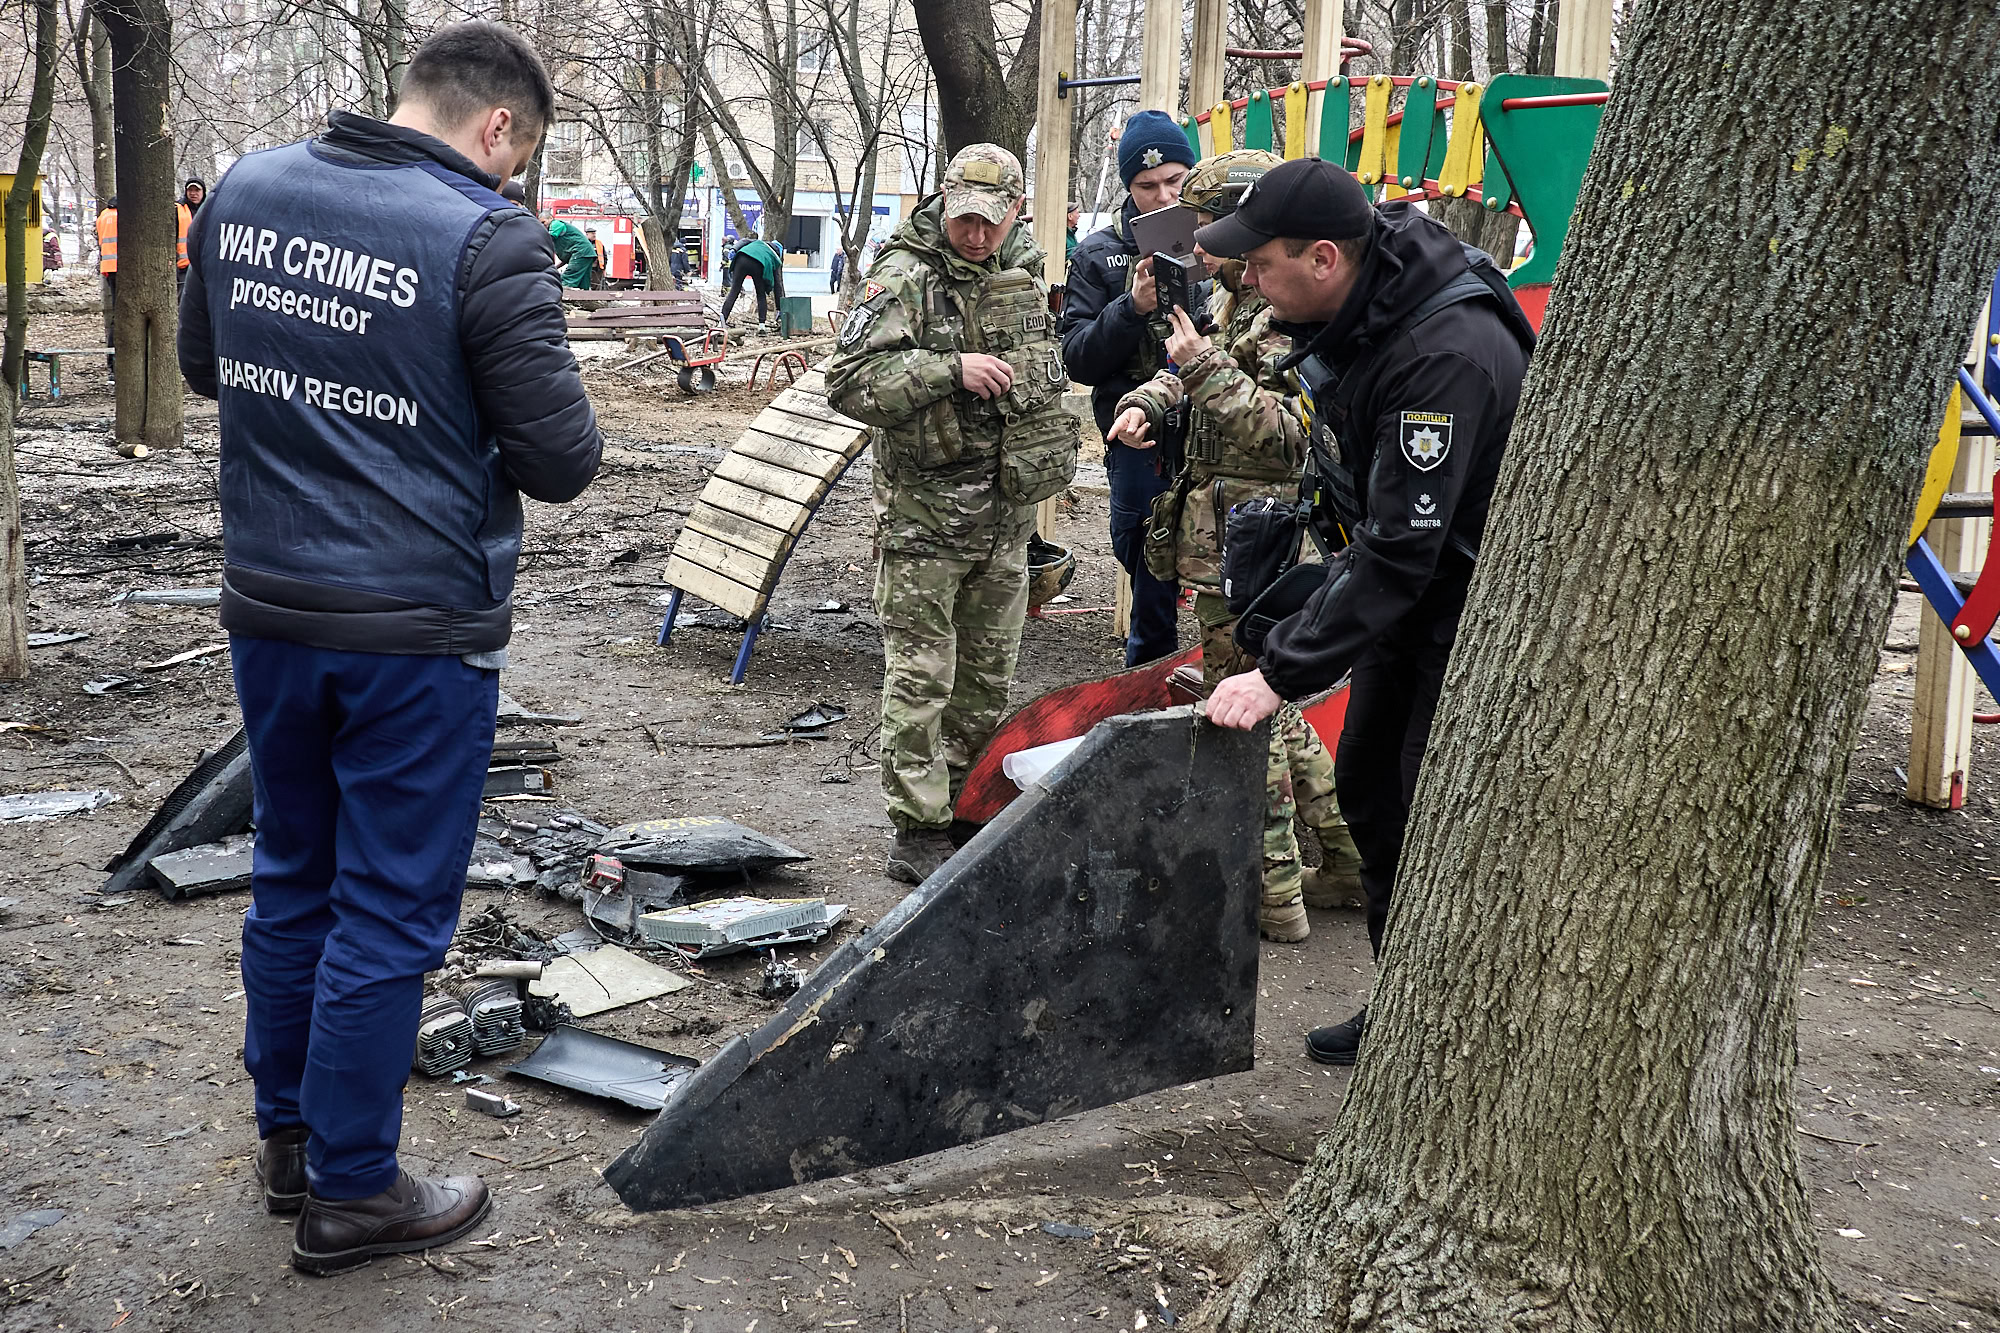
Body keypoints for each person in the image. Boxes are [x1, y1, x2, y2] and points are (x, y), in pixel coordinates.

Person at [177, 19, 602, 1274]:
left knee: (294, 873)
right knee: (390, 910)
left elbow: (209, 368)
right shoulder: (486, 236)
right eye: (514, 162)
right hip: (415, 631)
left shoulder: (246, 187)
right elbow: (563, 459)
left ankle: (292, 1142)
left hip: (270, 607)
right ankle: (357, 1189)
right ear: (499, 130)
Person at [1197, 157, 1534, 1064]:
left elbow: (1404, 548)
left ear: (1321, 258)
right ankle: (1407, 1012)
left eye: (1259, 264)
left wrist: (1278, 674)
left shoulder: (1443, 356)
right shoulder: (1366, 299)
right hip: (1405, 606)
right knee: (1372, 792)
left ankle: (1455, 1039)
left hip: (1467, 620)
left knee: (1433, 820)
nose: (1249, 283)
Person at [1105, 149, 1362, 944]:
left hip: (1257, 541)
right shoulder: (1242, 295)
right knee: (1272, 710)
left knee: (1241, 708)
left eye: (1213, 231)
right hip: (1219, 532)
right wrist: (1151, 396)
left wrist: (1201, 368)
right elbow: (1197, 372)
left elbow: (1292, 435)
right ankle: (1348, 861)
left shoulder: (1305, 313)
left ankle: (1272, 894)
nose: (1205, 248)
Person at [824, 144, 1076, 884]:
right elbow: (847, 381)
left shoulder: (1021, 270)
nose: (976, 236)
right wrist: (948, 369)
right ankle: (918, 825)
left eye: (991, 224)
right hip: (925, 521)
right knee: (921, 677)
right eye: (965, 220)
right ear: (944, 201)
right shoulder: (903, 277)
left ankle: (965, 802)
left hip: (1006, 518)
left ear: (1016, 214)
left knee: (988, 680)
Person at [1059, 109, 1201, 666]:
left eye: (1175, 181)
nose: (1163, 196)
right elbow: (1077, 357)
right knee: (1142, 553)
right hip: (1138, 437)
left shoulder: (1219, 238)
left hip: (1215, 423)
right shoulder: (1098, 253)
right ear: (1128, 187)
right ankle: (1147, 675)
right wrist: (1132, 305)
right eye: (1147, 187)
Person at [719, 233, 785, 327]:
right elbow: (777, 285)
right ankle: (761, 326)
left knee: (734, 291)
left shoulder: (758, 242)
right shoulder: (774, 257)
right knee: (761, 294)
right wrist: (779, 308)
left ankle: (721, 322)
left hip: (741, 258)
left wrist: (734, 249)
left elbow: (744, 240)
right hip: (758, 264)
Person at [95, 195, 116, 377]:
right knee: (122, 319)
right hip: (122, 269)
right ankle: (114, 366)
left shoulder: (103, 216)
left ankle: (112, 365)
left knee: (117, 317)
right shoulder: (123, 216)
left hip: (109, 268)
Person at [547, 215, 595, 287]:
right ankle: (583, 296)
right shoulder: (562, 241)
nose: (542, 225)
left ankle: (563, 295)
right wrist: (555, 267)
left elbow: (549, 237)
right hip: (587, 254)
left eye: (543, 222)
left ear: (550, 218)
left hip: (581, 252)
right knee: (583, 282)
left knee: (568, 279)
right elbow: (567, 259)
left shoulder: (555, 223)